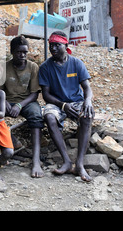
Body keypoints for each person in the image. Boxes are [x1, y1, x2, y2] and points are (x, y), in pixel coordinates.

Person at [38, 31, 95, 182]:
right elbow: (46, 95)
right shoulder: (45, 67)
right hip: (57, 103)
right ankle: (66, 161)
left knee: (87, 115)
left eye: (57, 45)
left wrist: (88, 101)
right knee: (49, 116)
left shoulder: (76, 63)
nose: (53, 48)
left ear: (66, 45)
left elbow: (87, 89)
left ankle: (80, 164)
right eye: (51, 45)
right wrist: (63, 105)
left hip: (76, 102)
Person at [0, 35, 45, 178]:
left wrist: (19, 105)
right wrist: (5, 103)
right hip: (6, 100)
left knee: (36, 116)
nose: (23, 55)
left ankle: (36, 160)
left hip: (26, 102)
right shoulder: (4, 67)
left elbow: (34, 94)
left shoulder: (32, 67)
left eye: (25, 52)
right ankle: (11, 141)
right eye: (19, 52)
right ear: (12, 52)